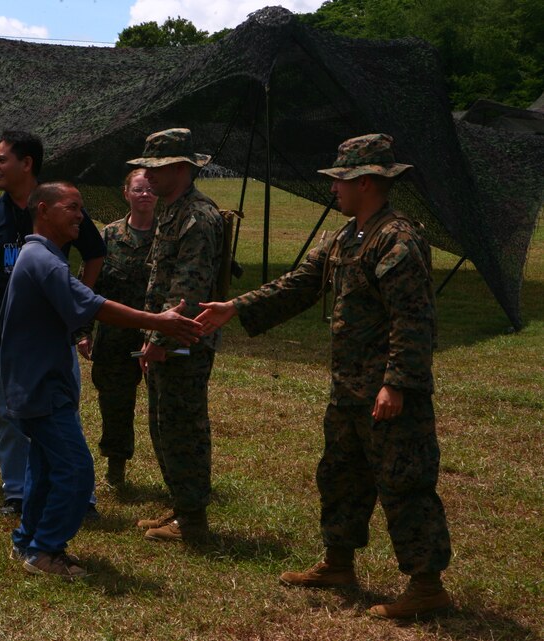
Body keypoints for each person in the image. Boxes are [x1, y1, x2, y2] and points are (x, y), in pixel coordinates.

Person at [195, 133, 452, 619]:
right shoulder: (346, 235)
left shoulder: (397, 238)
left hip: (386, 391)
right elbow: (301, 284)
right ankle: (338, 564)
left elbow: (413, 318)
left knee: (405, 483)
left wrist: (397, 383)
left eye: (341, 180)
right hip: (349, 389)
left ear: (367, 182)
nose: (333, 188)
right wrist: (235, 306)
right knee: (340, 476)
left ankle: (426, 586)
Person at [3, 181, 201, 578]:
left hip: (37, 384)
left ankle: (28, 540)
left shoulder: (41, 256)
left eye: (81, 208)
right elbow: (94, 306)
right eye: (72, 207)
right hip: (42, 387)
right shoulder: (43, 260)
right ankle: (45, 550)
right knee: (76, 471)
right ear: (43, 210)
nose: (80, 216)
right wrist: (158, 320)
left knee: (45, 466)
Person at [0, 130, 105, 517]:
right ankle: (18, 493)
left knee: (63, 411)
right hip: (3, 334)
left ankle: (76, 495)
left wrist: (77, 301)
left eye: (1, 159)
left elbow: (95, 252)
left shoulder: (58, 206)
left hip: (54, 333)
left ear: (27, 163)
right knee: (9, 414)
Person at [128, 128, 227, 543]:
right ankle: (181, 506)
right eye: (146, 167)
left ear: (182, 168)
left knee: (183, 428)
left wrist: (160, 342)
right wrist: (152, 335)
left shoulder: (197, 217)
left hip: (183, 341)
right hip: (166, 337)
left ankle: (192, 520)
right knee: (164, 426)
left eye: (158, 167)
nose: (148, 175)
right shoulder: (173, 209)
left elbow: (188, 291)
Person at [76, 168, 157, 486]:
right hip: (114, 335)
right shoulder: (107, 236)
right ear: (126, 194)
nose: (145, 195)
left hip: (157, 333)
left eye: (150, 189)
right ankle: (116, 465)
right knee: (115, 403)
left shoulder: (168, 235)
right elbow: (88, 286)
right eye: (138, 189)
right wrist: (84, 331)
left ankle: (174, 470)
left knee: (165, 404)